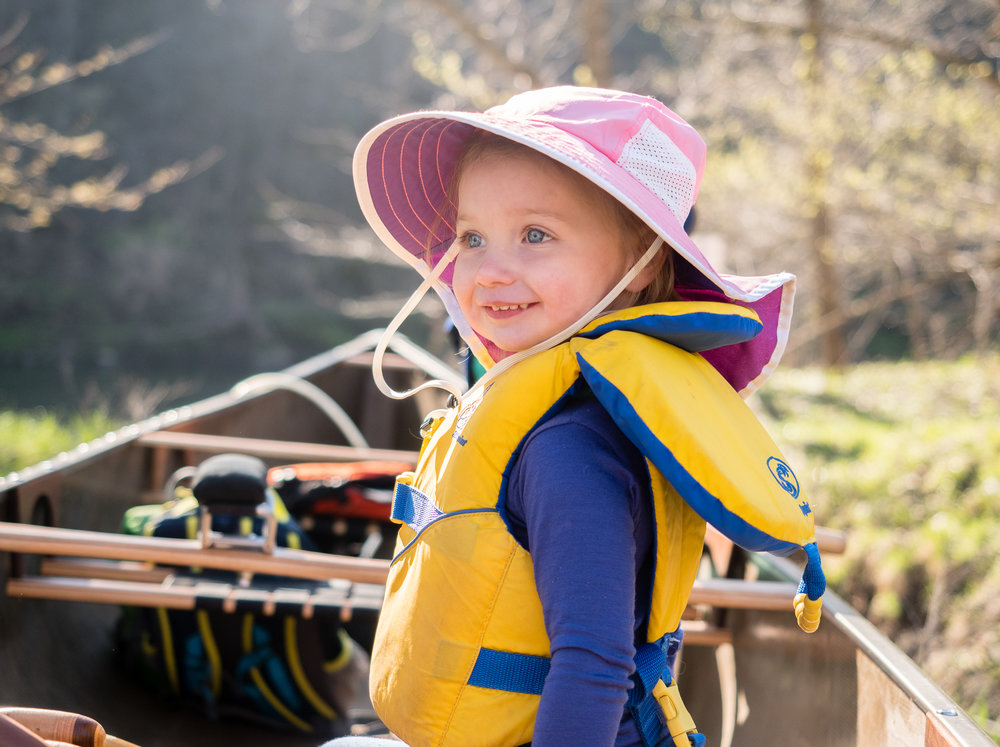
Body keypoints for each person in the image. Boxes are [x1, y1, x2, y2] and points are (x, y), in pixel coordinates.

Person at [329, 86, 825, 747]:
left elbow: (594, 664)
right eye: (472, 236)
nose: (489, 270)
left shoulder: (568, 448)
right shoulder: (567, 410)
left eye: (536, 234)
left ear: (644, 266)